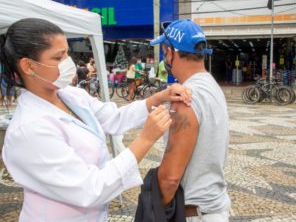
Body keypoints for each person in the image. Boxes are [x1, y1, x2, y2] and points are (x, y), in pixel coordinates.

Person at [0, 18, 192, 222]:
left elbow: (114, 118)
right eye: (58, 57)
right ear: (29, 66)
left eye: (67, 53)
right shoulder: (30, 129)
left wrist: (158, 98)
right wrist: (145, 139)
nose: (68, 62)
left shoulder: (70, 95)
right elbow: (90, 189)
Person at [150, 19, 231, 222]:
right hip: (215, 207)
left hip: (194, 213)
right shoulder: (212, 86)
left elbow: (170, 178)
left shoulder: (185, 99)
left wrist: (156, 211)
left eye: (164, 51)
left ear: (172, 52)